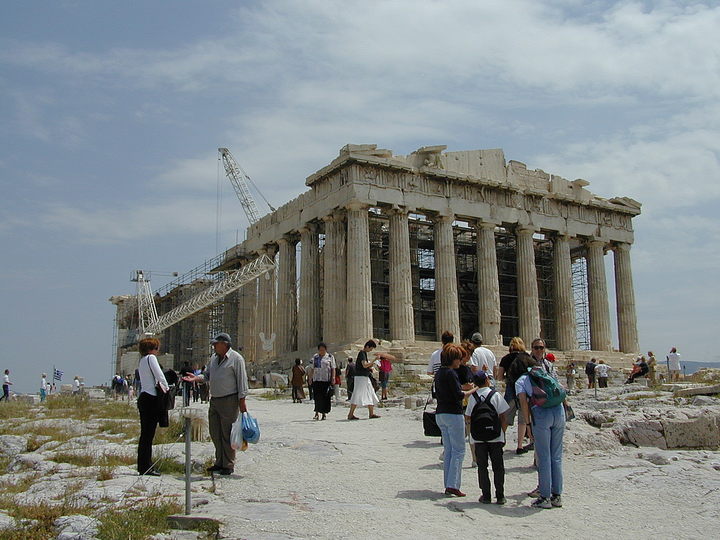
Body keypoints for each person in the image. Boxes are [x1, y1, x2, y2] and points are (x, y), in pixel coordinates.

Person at [182, 333, 249, 476]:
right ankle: (219, 462)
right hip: (215, 400)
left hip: (229, 400)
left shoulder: (236, 359)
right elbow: (207, 376)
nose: (213, 346)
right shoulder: (213, 358)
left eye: (215, 344)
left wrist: (242, 400)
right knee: (215, 432)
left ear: (225, 344)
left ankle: (228, 464)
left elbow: (242, 380)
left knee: (226, 434)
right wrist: (196, 378)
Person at [516, 351, 565, 509]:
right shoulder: (544, 372)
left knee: (543, 457)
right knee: (556, 457)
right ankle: (557, 496)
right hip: (559, 411)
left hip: (542, 415)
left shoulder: (522, 380)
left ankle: (544, 498)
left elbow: (524, 404)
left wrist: (528, 425)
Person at [434, 344, 477, 497]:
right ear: (453, 359)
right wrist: (473, 389)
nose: (461, 361)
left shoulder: (438, 373)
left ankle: (448, 484)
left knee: (449, 451)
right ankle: (453, 485)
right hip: (453, 413)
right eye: (459, 358)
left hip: (440, 414)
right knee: (459, 450)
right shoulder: (451, 373)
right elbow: (459, 395)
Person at [465, 371, 509, 505]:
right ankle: (500, 495)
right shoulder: (495, 395)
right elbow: (504, 416)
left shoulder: (473, 397)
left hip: (479, 438)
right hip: (495, 436)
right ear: (487, 381)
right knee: (498, 467)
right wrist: (502, 432)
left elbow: (468, 417)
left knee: (482, 467)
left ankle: (486, 495)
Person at [136, 337, 169, 476]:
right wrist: (167, 389)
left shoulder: (142, 361)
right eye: (156, 348)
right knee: (149, 435)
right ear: (152, 349)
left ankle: (143, 465)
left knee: (145, 435)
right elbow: (160, 375)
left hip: (143, 397)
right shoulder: (151, 358)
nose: (158, 351)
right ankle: (147, 467)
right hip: (151, 398)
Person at [497, 337, 533, 455]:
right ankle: (520, 445)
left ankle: (500, 442)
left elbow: (500, 377)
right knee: (523, 418)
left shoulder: (506, 359)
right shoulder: (527, 357)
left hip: (511, 389)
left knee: (505, 417)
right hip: (525, 390)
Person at [348, 340, 382, 420]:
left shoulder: (364, 354)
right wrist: (374, 360)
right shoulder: (362, 353)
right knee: (357, 394)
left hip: (365, 377)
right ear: (367, 346)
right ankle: (350, 414)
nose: (371, 350)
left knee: (370, 393)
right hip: (360, 378)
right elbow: (364, 365)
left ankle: (371, 413)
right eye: (371, 348)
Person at [310, 343, 335, 421]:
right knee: (317, 397)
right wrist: (310, 378)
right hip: (317, 379)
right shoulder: (315, 357)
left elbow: (333, 368)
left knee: (325, 397)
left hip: (325, 380)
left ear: (326, 349)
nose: (322, 351)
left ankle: (324, 413)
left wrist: (333, 377)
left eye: (323, 350)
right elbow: (312, 368)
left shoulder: (330, 357)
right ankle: (316, 413)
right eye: (320, 350)